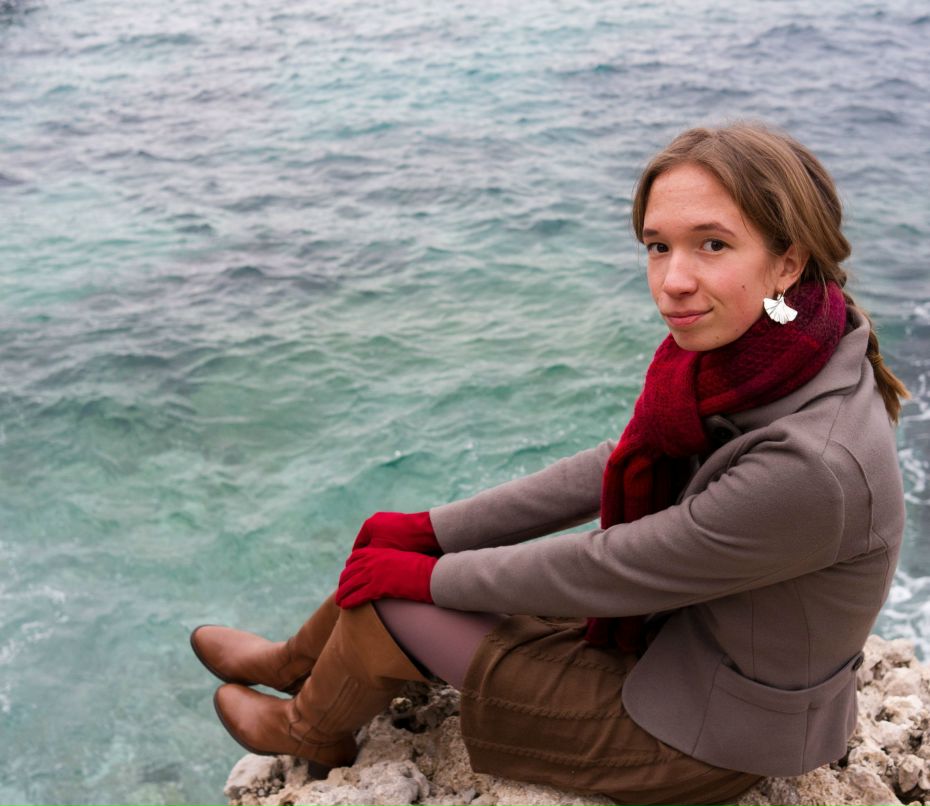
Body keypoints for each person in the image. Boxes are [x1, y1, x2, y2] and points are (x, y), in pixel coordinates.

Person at [191, 122, 908, 805]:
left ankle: (308, 728)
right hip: (681, 633)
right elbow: (620, 461)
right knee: (402, 553)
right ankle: (296, 661)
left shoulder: (809, 465)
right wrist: (433, 530)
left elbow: (616, 565)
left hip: (702, 732)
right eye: (657, 246)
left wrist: (426, 574)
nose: (673, 280)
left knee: (394, 598)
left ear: (787, 260)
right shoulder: (786, 348)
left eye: (712, 245)